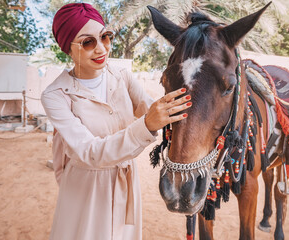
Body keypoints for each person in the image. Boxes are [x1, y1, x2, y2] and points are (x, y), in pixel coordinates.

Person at [41, 3, 192, 240]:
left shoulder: (121, 76)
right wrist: (147, 125)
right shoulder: (55, 95)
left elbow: (148, 106)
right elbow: (89, 152)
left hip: (126, 179)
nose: (101, 49)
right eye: (87, 42)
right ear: (67, 49)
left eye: (105, 37)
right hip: (86, 187)